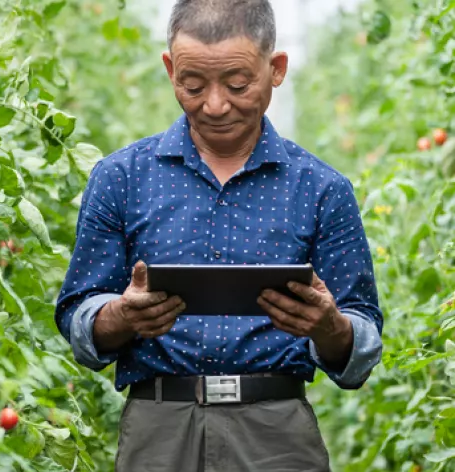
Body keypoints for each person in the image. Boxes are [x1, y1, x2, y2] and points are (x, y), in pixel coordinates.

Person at [54, 1, 384, 470]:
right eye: (192, 85)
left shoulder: (322, 189)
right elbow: (78, 317)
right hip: (159, 426)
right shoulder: (120, 178)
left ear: (276, 69)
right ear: (170, 70)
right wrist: (122, 315)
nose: (214, 104)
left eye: (237, 84)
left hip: (277, 430)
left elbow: (362, 341)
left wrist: (329, 326)